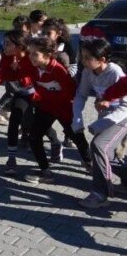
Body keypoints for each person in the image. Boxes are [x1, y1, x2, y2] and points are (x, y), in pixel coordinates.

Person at [23, 36, 92, 184]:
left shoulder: (58, 70)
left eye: (35, 54)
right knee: (34, 137)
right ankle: (46, 172)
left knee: (76, 136)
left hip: (64, 108)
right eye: (30, 53)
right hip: (46, 107)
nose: (30, 57)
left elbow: (71, 92)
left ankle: (90, 164)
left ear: (47, 55)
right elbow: (22, 76)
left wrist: (48, 95)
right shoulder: (33, 66)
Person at [72, 39, 127, 208]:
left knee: (98, 146)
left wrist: (101, 123)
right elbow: (81, 95)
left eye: (87, 57)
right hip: (105, 116)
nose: (83, 61)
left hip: (122, 117)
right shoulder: (89, 71)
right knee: (106, 156)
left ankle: (100, 194)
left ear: (102, 59)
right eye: (82, 57)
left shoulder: (115, 73)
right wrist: (77, 118)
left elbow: (125, 106)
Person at [0, 30, 38, 175]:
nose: (4, 46)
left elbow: (35, 76)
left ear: (20, 46)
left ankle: (55, 143)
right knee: (14, 120)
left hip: (38, 95)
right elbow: (4, 73)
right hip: (22, 94)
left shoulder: (31, 58)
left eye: (8, 43)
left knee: (39, 125)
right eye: (4, 42)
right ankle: (11, 159)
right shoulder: (7, 57)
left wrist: (22, 75)